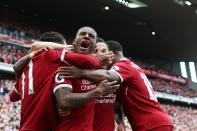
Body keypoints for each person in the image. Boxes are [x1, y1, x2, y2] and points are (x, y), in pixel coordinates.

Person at [9, 29, 118, 131]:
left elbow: (13, 96)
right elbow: (65, 100)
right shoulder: (53, 58)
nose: (68, 50)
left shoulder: (27, 71)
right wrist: (98, 62)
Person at [58, 40, 174, 131]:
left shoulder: (121, 68)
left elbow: (108, 75)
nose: (102, 55)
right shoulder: (116, 76)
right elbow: (117, 103)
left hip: (151, 124)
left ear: (112, 54)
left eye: (104, 51)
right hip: (154, 122)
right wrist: (121, 121)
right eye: (96, 50)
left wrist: (81, 73)